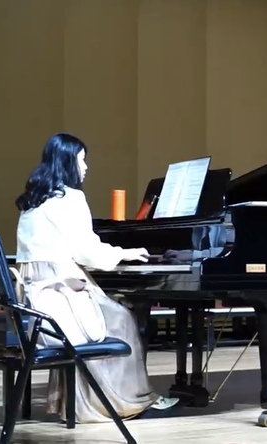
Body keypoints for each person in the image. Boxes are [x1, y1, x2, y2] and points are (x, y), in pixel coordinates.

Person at [14, 133, 179, 423]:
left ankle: (85, 399)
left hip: (33, 301)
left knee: (114, 315)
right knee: (122, 319)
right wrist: (125, 253)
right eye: (82, 160)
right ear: (68, 162)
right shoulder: (70, 197)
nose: (86, 166)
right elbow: (86, 251)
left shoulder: (34, 201)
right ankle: (124, 401)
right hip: (59, 296)